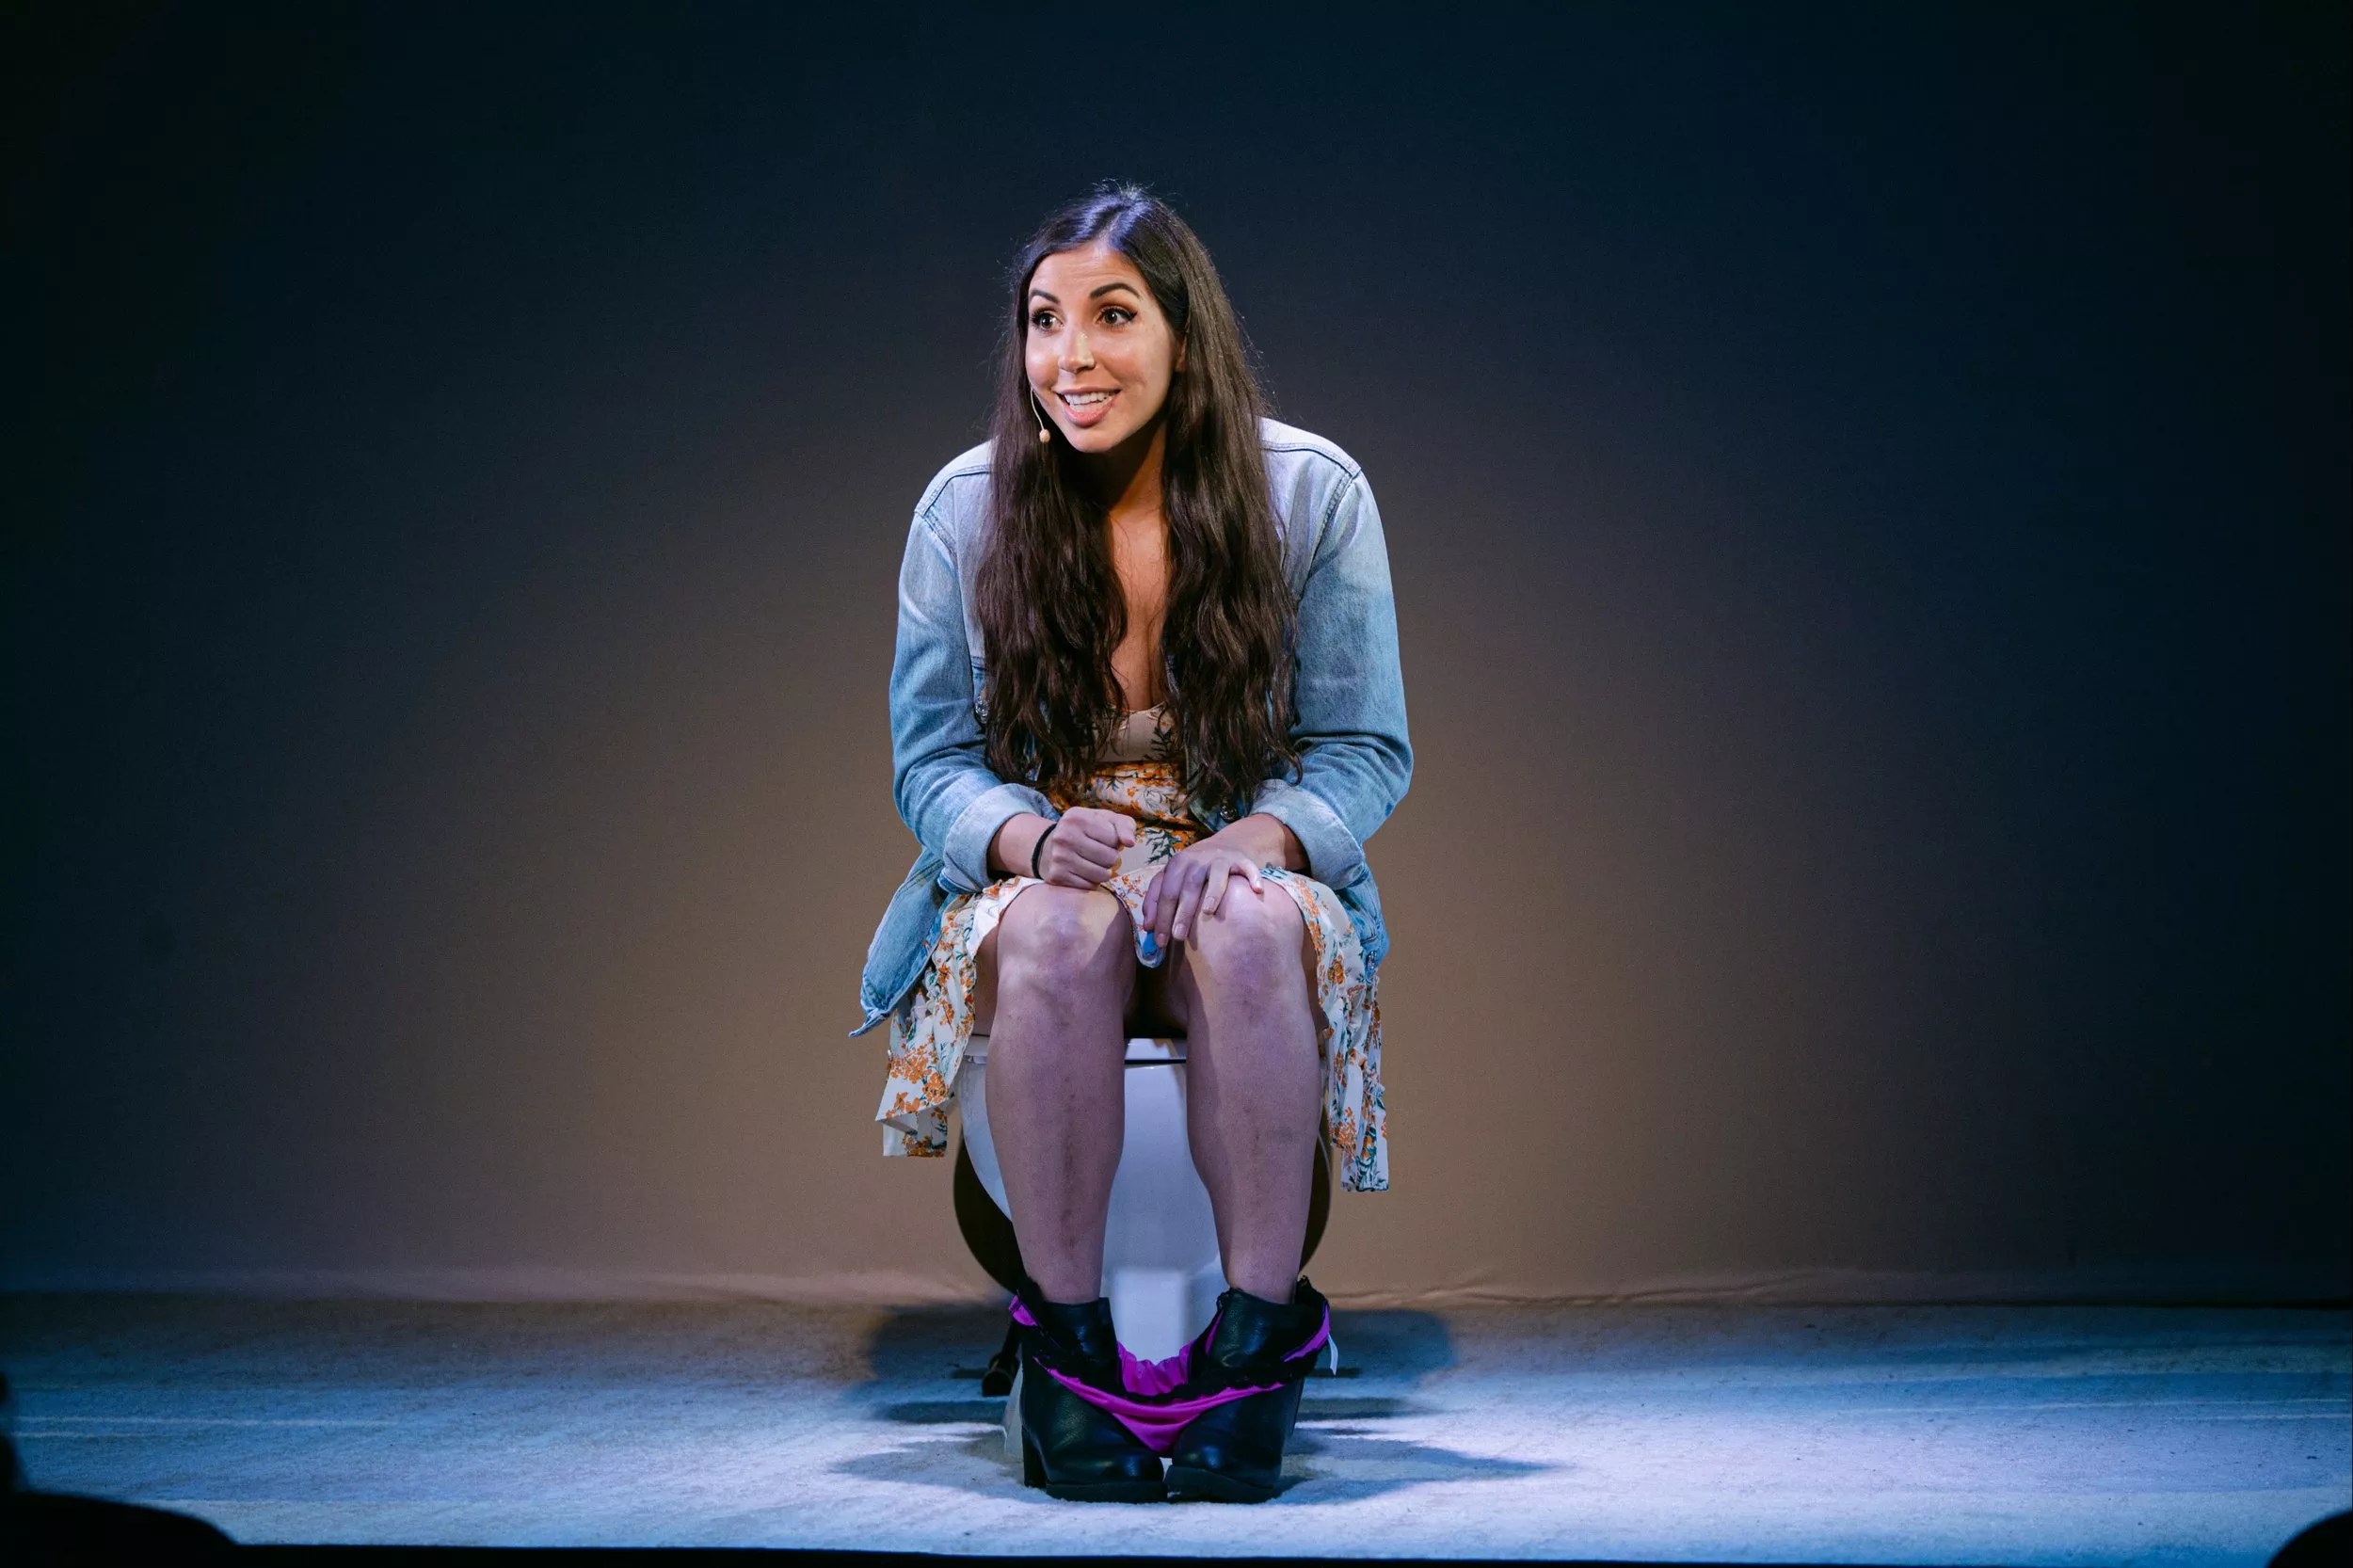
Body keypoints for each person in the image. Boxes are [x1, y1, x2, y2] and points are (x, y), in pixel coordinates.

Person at [847, 181, 1412, 1502]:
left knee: (1251, 918)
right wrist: (1031, 840)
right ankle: (1068, 1346)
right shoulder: (966, 510)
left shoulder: (1310, 492)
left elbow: (1365, 748)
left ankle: (1259, 1346)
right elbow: (930, 761)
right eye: (1045, 322)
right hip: (1047, 870)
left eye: (1112, 315)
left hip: (1244, 853)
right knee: (1052, 935)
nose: (1071, 356)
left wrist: (1257, 838)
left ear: (1183, 334)